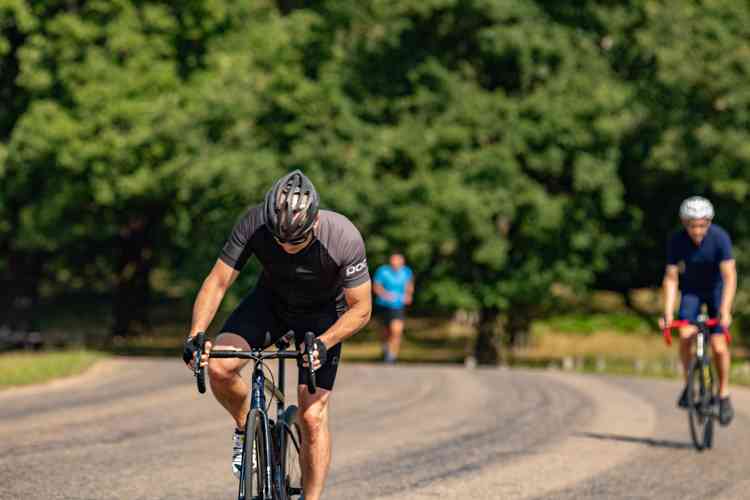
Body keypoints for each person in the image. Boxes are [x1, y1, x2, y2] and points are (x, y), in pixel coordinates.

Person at [182, 170, 372, 500]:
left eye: (295, 241)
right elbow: (218, 281)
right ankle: (246, 430)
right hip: (271, 303)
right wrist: (196, 333)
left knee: (312, 416)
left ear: (314, 224)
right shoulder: (254, 223)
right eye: (278, 238)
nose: (285, 247)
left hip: (324, 317)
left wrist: (325, 342)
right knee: (220, 367)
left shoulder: (343, 237)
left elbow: (362, 309)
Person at [660, 196, 736, 426]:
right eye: (692, 225)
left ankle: (723, 395)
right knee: (684, 336)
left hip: (716, 292)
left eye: (702, 225)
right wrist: (668, 313)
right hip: (691, 291)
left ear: (709, 222)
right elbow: (671, 278)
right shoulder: (677, 241)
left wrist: (725, 309)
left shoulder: (720, 238)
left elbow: (729, 276)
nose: (697, 230)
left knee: (719, 347)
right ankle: (689, 385)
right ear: (684, 223)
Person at [372, 252, 414, 363]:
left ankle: (392, 355)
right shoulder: (383, 271)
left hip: (398, 306)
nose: (395, 263)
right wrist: (385, 295)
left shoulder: (406, 272)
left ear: (402, 262)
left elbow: (409, 285)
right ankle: (385, 348)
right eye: (393, 260)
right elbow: (376, 287)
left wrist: (408, 295)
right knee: (385, 331)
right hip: (383, 305)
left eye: (397, 260)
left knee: (396, 330)